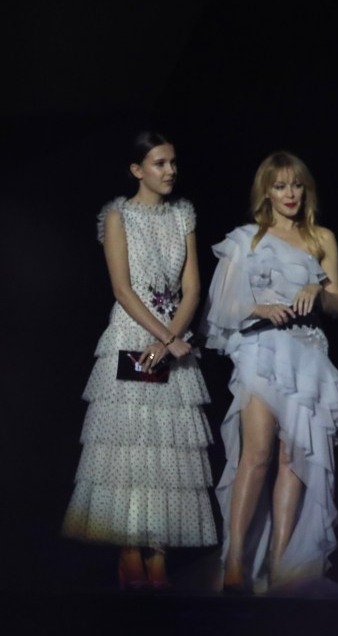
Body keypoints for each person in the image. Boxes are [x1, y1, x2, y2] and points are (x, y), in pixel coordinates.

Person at [62, 131, 217, 589]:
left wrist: (173, 339)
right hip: (135, 335)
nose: (170, 170)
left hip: (173, 342)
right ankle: (130, 549)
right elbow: (122, 288)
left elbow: (193, 288)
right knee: (130, 446)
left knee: (169, 450)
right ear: (137, 170)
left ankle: (159, 555)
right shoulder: (118, 215)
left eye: (172, 162)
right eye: (159, 163)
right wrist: (164, 336)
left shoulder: (183, 215)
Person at [202, 151, 338, 593]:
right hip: (261, 350)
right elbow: (220, 308)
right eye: (281, 186)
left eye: (297, 185)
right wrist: (259, 307)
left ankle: (281, 564)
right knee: (258, 453)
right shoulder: (246, 239)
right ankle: (234, 561)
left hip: (308, 353)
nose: (290, 194)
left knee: (293, 459)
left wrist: (317, 287)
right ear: (266, 191)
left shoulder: (322, 237)